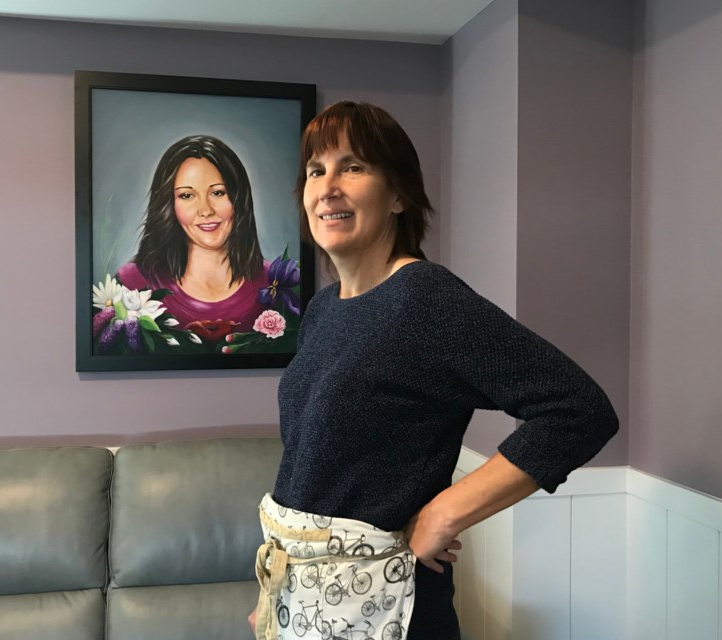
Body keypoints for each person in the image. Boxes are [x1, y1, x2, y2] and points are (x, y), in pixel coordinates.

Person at [249, 102, 619, 640]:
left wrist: (446, 513)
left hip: (386, 604)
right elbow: (310, 466)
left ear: (399, 195)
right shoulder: (325, 309)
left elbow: (578, 410)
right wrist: (274, 595)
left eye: (352, 167)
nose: (327, 186)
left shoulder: (423, 299)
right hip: (304, 602)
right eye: (315, 170)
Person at [116, 134, 270, 331]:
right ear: (169, 205)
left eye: (218, 193)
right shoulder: (132, 284)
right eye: (187, 195)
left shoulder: (276, 282)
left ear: (239, 199)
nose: (205, 210)